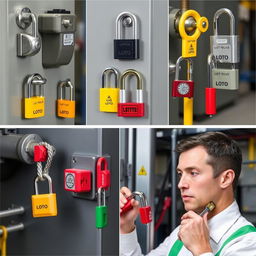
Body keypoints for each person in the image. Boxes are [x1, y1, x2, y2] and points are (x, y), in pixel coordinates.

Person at [120, 132, 256, 256]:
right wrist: (126, 227)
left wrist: (201, 250)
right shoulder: (183, 231)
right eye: (180, 174)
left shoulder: (247, 242)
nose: (181, 184)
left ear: (225, 179)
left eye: (193, 173)